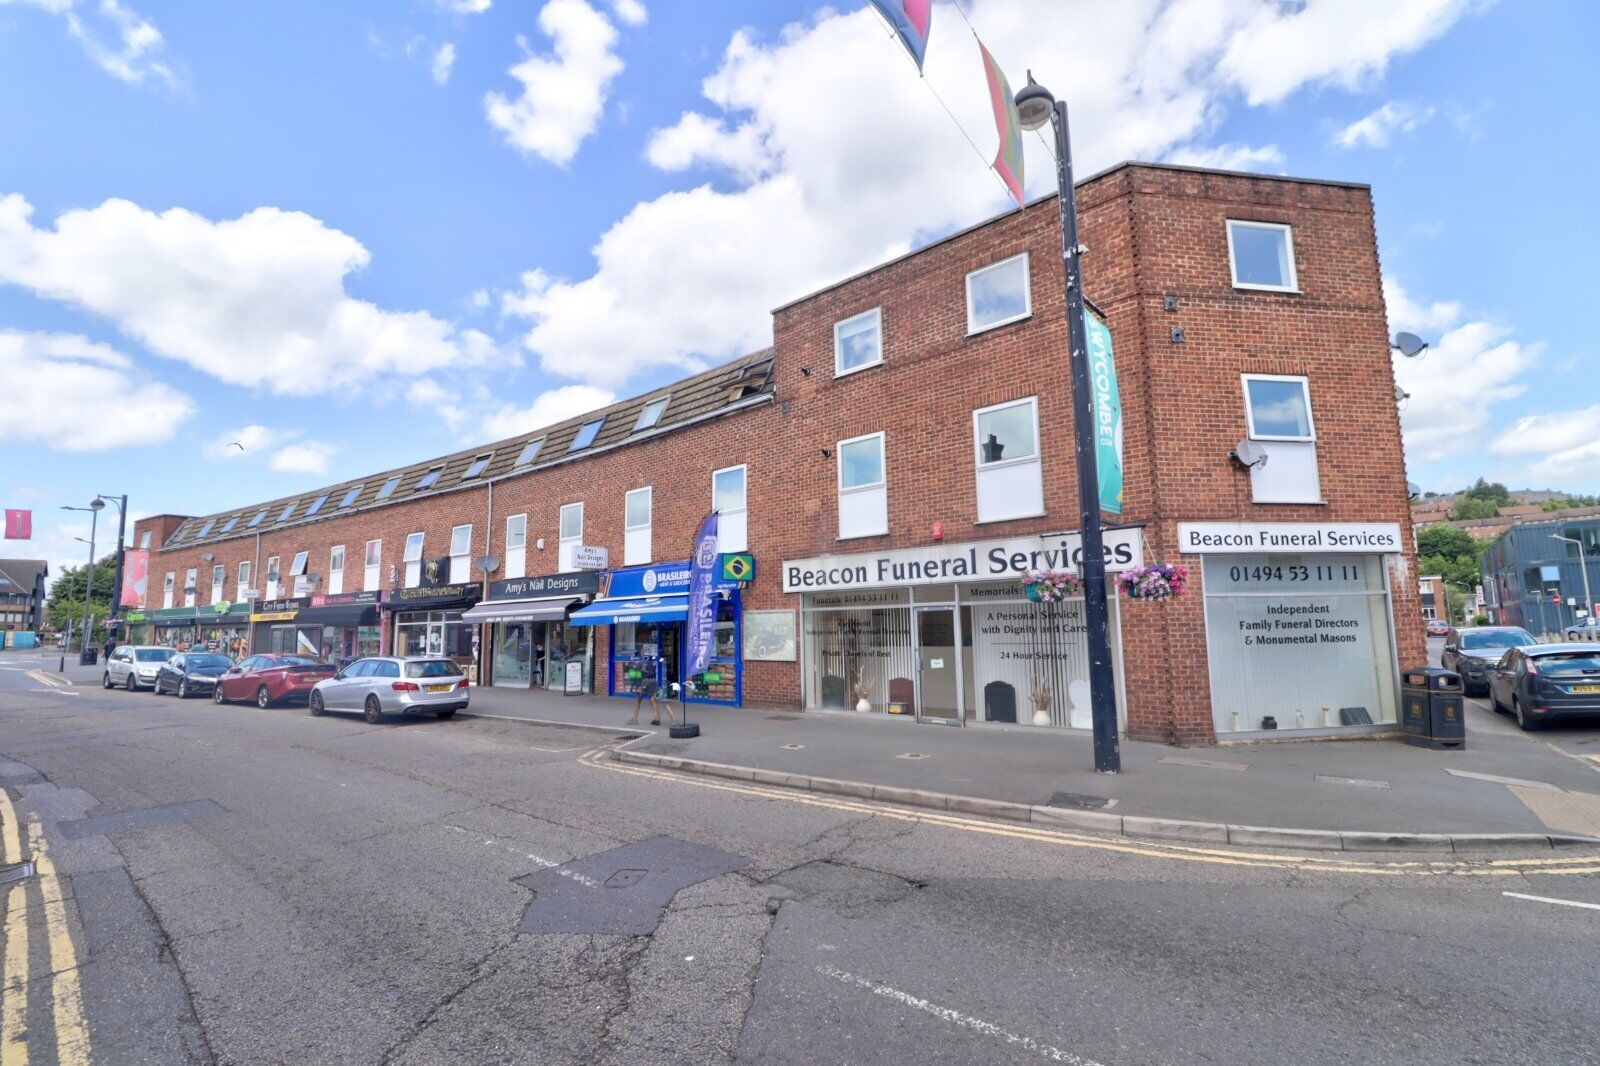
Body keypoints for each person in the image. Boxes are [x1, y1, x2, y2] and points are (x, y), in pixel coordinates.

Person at [626, 662, 675, 727]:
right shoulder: (650, 662)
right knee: (656, 701)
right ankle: (658, 719)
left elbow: (635, 678)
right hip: (653, 682)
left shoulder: (637, 665)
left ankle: (635, 718)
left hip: (643, 683)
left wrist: (633, 687)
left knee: (638, 701)